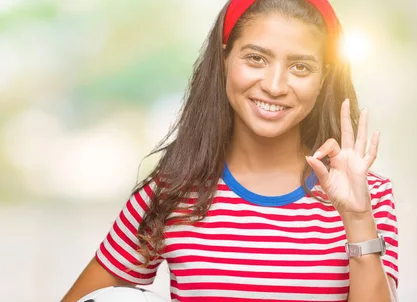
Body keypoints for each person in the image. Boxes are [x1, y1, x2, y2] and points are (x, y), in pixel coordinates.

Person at [62, 0, 399, 301]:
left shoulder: (367, 197)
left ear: (323, 78)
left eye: (300, 67)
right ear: (224, 58)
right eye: (256, 58)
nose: (275, 85)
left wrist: (357, 217)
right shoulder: (169, 193)